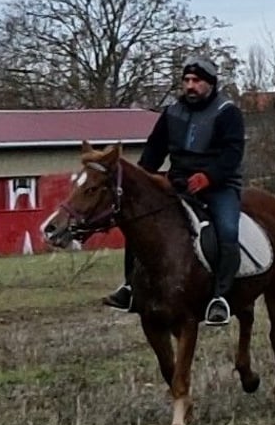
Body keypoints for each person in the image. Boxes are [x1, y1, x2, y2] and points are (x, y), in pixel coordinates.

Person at [104, 55, 245, 325]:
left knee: (228, 231)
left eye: (197, 81)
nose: (190, 86)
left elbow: (233, 154)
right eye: (186, 80)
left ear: (211, 84)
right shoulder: (171, 113)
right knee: (139, 225)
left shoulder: (228, 112)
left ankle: (221, 297)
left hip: (219, 187)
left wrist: (209, 177)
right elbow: (154, 151)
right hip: (178, 184)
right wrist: (142, 180)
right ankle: (130, 287)